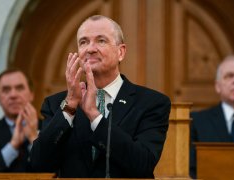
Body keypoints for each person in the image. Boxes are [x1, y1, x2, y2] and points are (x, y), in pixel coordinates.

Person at [30, 15, 171, 178]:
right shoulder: (57, 105)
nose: (90, 48)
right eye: (83, 42)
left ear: (121, 52)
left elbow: (142, 164)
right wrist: (69, 108)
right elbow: (38, 163)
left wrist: (94, 116)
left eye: (101, 40)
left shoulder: (151, 103)